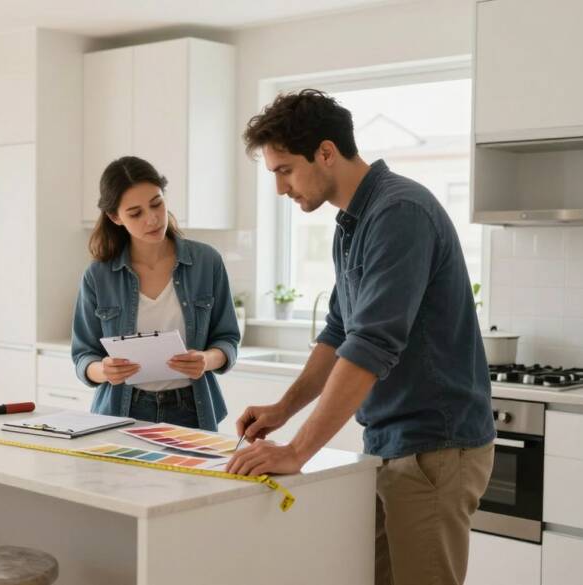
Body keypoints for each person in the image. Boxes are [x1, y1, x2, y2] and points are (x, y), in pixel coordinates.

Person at [227, 89, 495, 585]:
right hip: (390, 443)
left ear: (326, 153)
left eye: (284, 170)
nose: (280, 188)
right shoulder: (352, 224)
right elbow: (338, 331)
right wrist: (283, 410)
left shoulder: (400, 213)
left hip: (434, 446)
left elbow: (370, 345)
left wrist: (296, 452)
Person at [71, 156, 240, 431]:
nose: (152, 219)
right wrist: (104, 370)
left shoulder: (207, 262)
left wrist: (206, 360)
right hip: (122, 412)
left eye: (157, 203)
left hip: (192, 410)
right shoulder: (98, 276)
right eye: (135, 213)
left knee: (193, 476)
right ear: (115, 217)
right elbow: (83, 356)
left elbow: (228, 339)